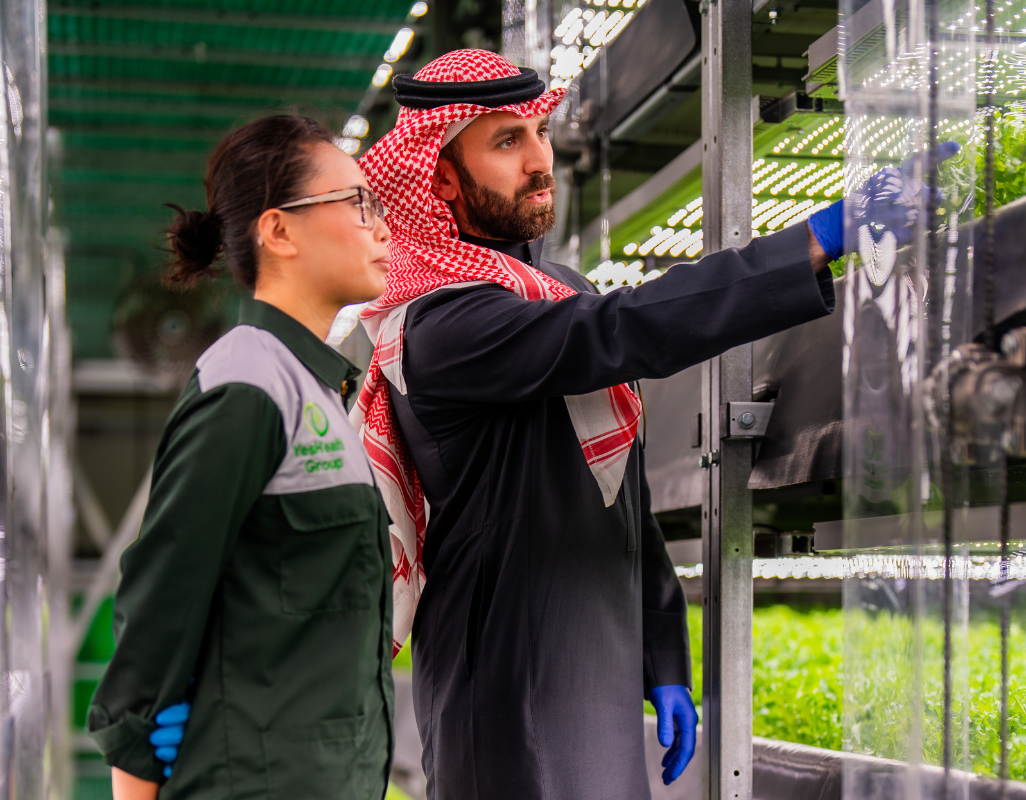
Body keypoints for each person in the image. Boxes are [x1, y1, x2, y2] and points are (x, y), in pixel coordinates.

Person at [349, 49, 843, 800]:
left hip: (600, 659)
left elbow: (622, 503)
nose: (540, 160)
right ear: (441, 176)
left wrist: (663, 660)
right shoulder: (441, 324)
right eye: (506, 142)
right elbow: (613, 329)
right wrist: (808, 244)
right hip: (506, 670)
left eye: (540, 133)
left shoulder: (556, 292)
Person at [86, 115, 396, 800]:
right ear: (278, 231)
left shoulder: (317, 389)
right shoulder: (249, 386)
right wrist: (132, 766)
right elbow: (161, 595)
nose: (380, 225)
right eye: (355, 203)